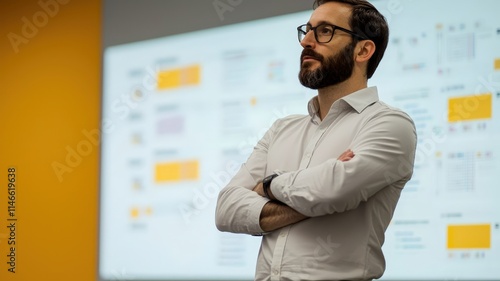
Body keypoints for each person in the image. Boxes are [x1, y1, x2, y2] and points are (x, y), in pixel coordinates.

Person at [215, 0, 417, 280]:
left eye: (325, 31)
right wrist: (317, 197)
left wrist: (269, 185)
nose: (306, 42)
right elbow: (226, 210)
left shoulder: (389, 124)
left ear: (363, 50)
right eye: (307, 30)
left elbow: (332, 191)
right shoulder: (281, 129)